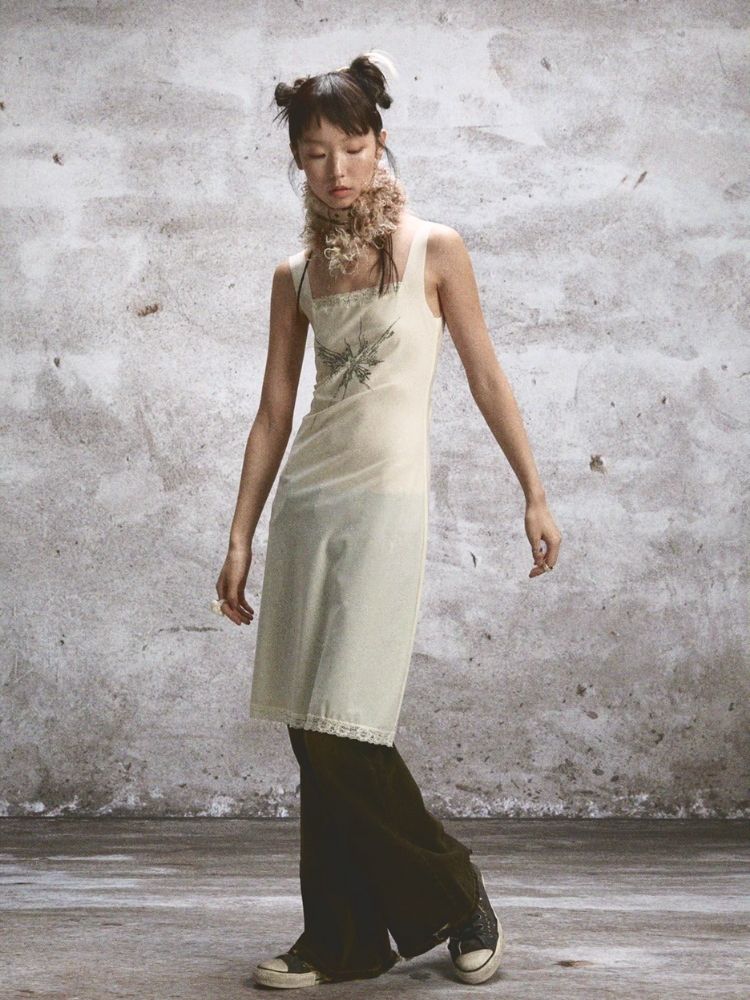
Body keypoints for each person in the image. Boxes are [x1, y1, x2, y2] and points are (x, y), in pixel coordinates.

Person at [212, 50, 562, 989]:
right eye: (315, 154)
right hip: (307, 506)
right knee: (310, 728)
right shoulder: (294, 274)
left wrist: (533, 491)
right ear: (298, 160)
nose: (337, 171)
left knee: (345, 723)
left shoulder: (436, 250)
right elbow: (273, 413)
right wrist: (240, 537)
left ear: (381, 141)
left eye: (353, 147)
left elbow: (486, 376)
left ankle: (458, 891)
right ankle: (341, 941)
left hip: (385, 505)